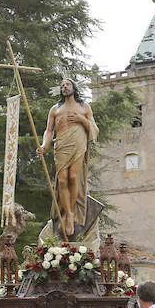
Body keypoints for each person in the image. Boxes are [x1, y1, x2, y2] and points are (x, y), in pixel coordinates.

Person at [36, 77, 99, 237]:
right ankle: (68, 212)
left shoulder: (84, 107)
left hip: (78, 144)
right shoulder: (55, 109)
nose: (64, 87)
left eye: (67, 84)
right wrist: (44, 146)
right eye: (62, 85)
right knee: (62, 180)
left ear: (74, 88)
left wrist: (81, 119)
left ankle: (70, 217)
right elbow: (49, 131)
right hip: (62, 145)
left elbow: (93, 128)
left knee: (73, 177)